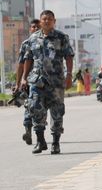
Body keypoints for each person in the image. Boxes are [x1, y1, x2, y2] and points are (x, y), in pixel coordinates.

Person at [20, 10, 74, 155]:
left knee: (57, 112)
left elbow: (69, 56)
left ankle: (55, 143)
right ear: (40, 21)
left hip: (56, 82)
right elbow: (28, 59)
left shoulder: (61, 37)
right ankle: (40, 141)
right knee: (35, 108)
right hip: (37, 81)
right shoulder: (32, 39)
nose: (47, 21)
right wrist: (24, 78)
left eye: (50, 19)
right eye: (44, 19)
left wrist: (69, 75)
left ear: (54, 21)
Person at [14, 19, 40, 145]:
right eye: (33, 27)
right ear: (30, 29)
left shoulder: (48, 41)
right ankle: (28, 131)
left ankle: (40, 133)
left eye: (37, 27)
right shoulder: (25, 44)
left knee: (42, 108)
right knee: (29, 106)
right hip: (29, 81)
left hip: (45, 81)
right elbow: (20, 64)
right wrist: (17, 83)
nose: (35, 29)